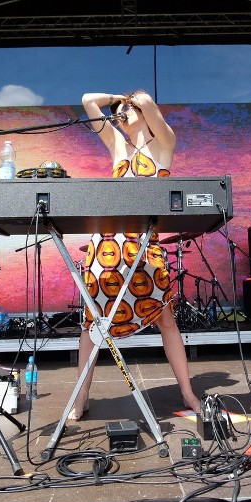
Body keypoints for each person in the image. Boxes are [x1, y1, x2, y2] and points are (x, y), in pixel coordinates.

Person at [69, 90, 201, 420]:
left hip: (144, 246)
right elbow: (87, 101)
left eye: (125, 109)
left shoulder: (164, 143)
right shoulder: (117, 145)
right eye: (117, 111)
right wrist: (116, 97)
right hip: (106, 248)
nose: (119, 114)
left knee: (165, 318)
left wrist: (133, 99)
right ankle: (80, 397)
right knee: (91, 323)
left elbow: (148, 105)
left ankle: (188, 392)